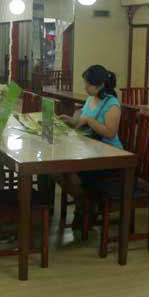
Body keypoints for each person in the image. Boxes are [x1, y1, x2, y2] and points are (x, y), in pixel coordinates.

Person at [59, 65, 122, 227]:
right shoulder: (90, 99)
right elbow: (82, 122)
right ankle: (84, 203)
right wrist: (72, 121)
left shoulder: (112, 104)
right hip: (89, 150)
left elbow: (110, 133)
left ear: (101, 85)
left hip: (108, 156)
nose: (85, 87)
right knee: (58, 170)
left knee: (71, 171)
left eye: (88, 84)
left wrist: (89, 120)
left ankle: (85, 205)